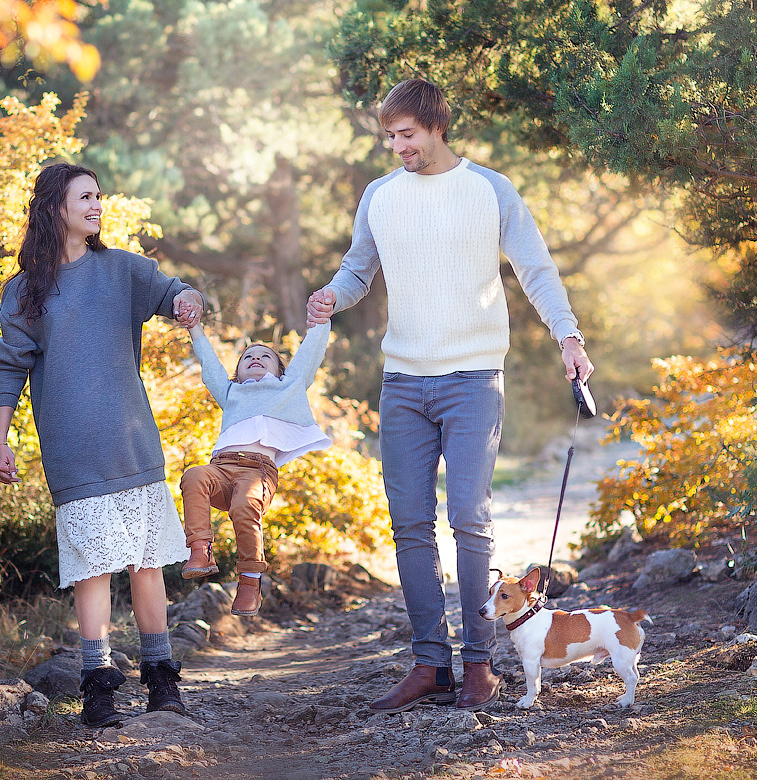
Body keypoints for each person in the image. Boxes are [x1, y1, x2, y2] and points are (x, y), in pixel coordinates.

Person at [305, 78, 594, 713]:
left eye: (406, 135)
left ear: (438, 127)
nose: (396, 147)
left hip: (473, 378)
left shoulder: (489, 190)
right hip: (403, 380)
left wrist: (568, 336)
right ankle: (429, 663)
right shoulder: (380, 196)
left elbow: (536, 268)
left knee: (469, 518)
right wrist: (332, 294)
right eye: (389, 137)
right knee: (409, 524)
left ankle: (479, 663)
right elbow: (358, 269)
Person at [0, 162, 206, 729]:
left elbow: (175, 290)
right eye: (84, 197)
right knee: (92, 572)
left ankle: (162, 683)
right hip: (73, 452)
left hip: (132, 443)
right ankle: (98, 691)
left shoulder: (122, 271)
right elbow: (8, 369)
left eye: (99, 196)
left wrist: (189, 301)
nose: (96, 205)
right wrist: (0, 442)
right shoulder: (23, 292)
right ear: (55, 209)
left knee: (145, 565)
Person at [178, 321, 332, 616]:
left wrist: (321, 320)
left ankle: (250, 580)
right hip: (220, 469)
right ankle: (200, 550)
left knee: (245, 505)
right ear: (238, 371)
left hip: (257, 471)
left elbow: (310, 354)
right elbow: (209, 364)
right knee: (194, 475)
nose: (255, 359)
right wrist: (195, 327)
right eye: (248, 356)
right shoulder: (231, 392)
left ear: (280, 370)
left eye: (265, 356)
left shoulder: (290, 386)